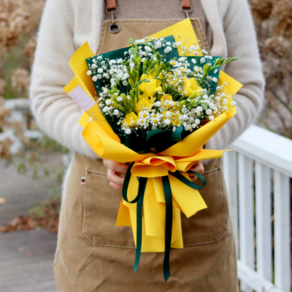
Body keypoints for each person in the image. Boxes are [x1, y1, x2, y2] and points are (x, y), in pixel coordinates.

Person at [30, 0, 265, 291]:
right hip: (100, 226)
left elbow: (247, 88)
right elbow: (50, 94)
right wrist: (105, 146)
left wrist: (196, 145)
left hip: (198, 228)